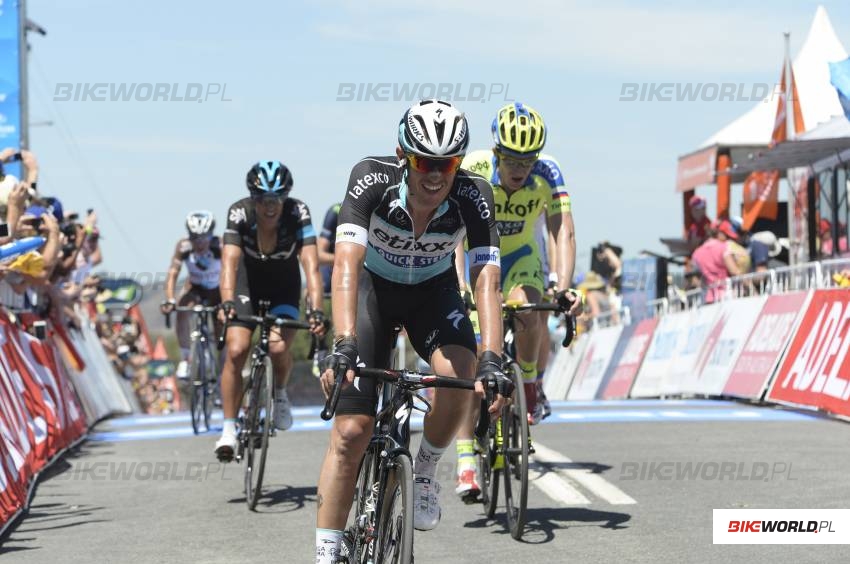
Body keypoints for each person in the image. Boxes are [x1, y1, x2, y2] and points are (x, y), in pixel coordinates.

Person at [314, 100, 512, 563]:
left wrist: (493, 357)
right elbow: (345, 265)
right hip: (373, 294)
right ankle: (325, 553)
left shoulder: (474, 194)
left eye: (447, 163)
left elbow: (487, 278)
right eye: (424, 161)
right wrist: (343, 342)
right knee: (351, 432)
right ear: (403, 154)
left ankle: (424, 471)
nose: (435, 175)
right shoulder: (370, 177)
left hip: (432, 293)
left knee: (460, 373)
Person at [452, 102, 582, 501]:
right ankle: (465, 460)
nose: (519, 168)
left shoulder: (549, 174)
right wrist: (459, 285)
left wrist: (563, 285)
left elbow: (562, 231)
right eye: (511, 159)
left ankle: (528, 383)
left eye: (527, 159)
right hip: (477, 256)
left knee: (529, 310)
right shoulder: (473, 169)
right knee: (473, 363)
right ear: (496, 153)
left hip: (523, 257)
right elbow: (454, 231)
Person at [214, 162, 326, 461]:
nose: (270, 205)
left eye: (277, 198)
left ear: (286, 197)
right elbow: (229, 264)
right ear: (253, 198)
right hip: (245, 286)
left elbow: (312, 268)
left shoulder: (297, 213)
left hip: (284, 287)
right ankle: (228, 428)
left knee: (277, 347)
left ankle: (279, 392)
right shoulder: (239, 213)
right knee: (237, 350)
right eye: (263, 198)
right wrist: (226, 302)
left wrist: (315, 310)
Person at [160, 211, 222, 378]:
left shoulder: (220, 246)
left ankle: (221, 369)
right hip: (195, 288)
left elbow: (236, 272)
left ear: (211, 235)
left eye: (204, 237)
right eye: (195, 237)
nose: (200, 242)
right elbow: (172, 274)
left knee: (221, 329)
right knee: (181, 311)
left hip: (218, 291)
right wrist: (170, 299)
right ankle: (186, 359)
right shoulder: (184, 246)